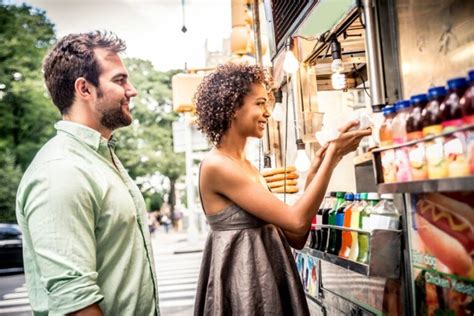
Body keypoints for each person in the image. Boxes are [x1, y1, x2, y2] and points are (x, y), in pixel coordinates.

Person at [193, 63, 371, 315]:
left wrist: (317, 169)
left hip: (266, 281)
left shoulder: (247, 167)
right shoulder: (218, 165)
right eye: (260, 103)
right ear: (233, 107)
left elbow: (294, 237)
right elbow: (297, 223)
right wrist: (332, 157)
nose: (267, 112)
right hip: (244, 286)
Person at [15, 31, 160, 316]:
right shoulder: (60, 171)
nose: (132, 90)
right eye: (120, 80)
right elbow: (76, 303)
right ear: (84, 89)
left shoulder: (99, 157)